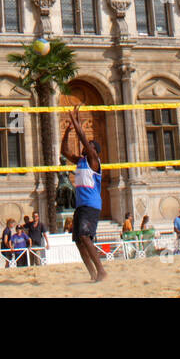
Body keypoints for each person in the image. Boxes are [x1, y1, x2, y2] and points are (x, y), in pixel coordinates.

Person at [67, 105, 107, 282]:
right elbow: (64, 152)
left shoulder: (93, 160)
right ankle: (92, 274)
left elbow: (83, 138)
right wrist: (67, 131)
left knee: (85, 236)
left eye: (90, 145)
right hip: (81, 205)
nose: (86, 145)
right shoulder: (81, 161)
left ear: (94, 150)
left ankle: (101, 271)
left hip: (91, 204)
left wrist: (76, 122)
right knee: (78, 241)